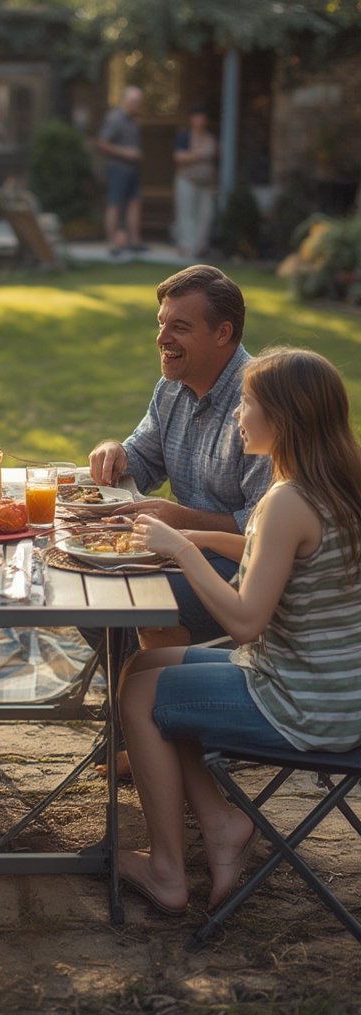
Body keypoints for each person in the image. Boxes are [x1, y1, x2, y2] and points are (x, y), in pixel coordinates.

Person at [117, 346, 361, 915]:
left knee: (139, 696)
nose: (237, 414)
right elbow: (278, 554)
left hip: (306, 704)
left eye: (246, 404)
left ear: (283, 417)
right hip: (338, 688)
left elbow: (246, 623)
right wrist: (202, 540)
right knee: (144, 667)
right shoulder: (337, 483)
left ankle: (167, 871)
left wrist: (179, 546)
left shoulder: (286, 500)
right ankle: (223, 825)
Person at [88, 265, 272, 649]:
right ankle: (132, 688)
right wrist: (115, 451)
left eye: (180, 328)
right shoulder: (172, 387)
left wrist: (182, 520)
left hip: (244, 568)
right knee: (86, 585)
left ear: (223, 333)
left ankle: (148, 686)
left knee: (106, 599)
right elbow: (143, 459)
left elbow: (265, 532)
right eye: (160, 324)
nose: (161, 339)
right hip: (179, 547)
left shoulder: (262, 403)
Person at [98, 86, 145, 257]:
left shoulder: (134, 120)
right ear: (124, 101)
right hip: (118, 168)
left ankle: (135, 242)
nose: (137, 105)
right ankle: (113, 244)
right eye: (134, 101)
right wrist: (126, 152)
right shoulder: (115, 118)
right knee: (115, 205)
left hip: (133, 169)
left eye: (139, 102)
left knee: (135, 203)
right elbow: (103, 143)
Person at [173, 104, 218, 259]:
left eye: (203, 118)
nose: (200, 121)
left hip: (206, 184)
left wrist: (193, 156)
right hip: (187, 180)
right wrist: (200, 155)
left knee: (205, 215)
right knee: (187, 214)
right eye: (197, 117)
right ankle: (187, 248)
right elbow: (179, 158)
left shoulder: (210, 137)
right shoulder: (184, 136)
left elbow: (213, 156)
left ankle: (200, 248)